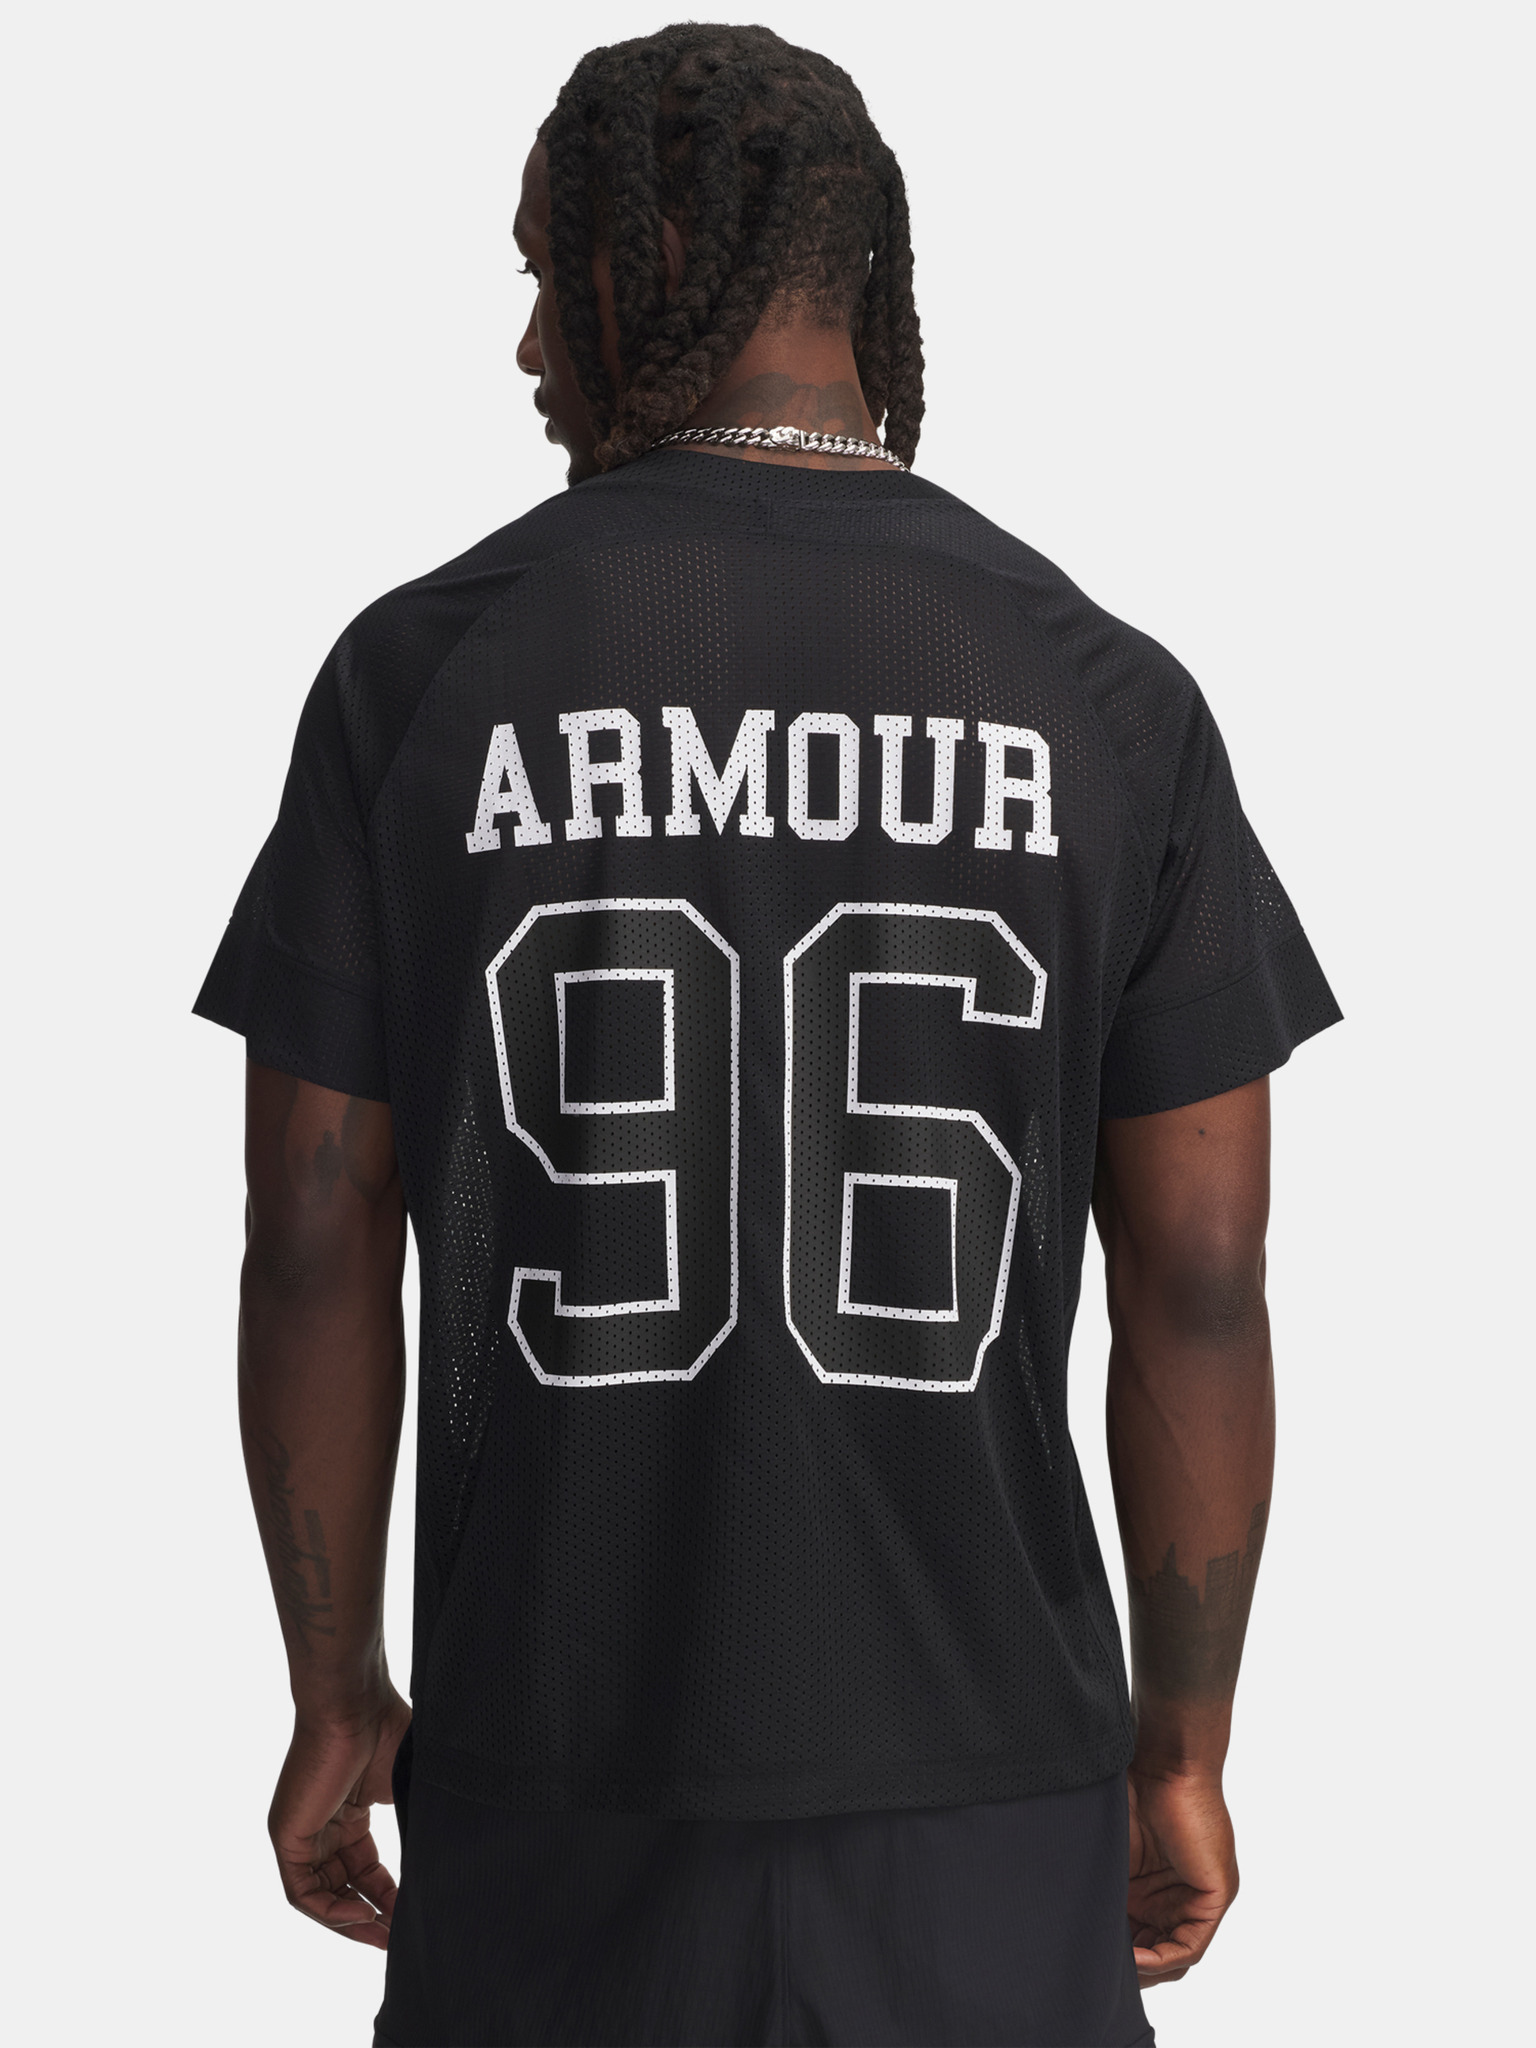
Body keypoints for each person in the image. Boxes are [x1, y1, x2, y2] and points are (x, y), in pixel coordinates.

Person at [195, 24, 1340, 2047]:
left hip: (553, 1782)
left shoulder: (419, 676)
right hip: (991, 1791)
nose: (528, 342)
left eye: (543, 270)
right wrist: (1181, 1746)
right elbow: (1203, 1272)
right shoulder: (1106, 696)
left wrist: (334, 1684)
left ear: (646, 261)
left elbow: (311, 1232)